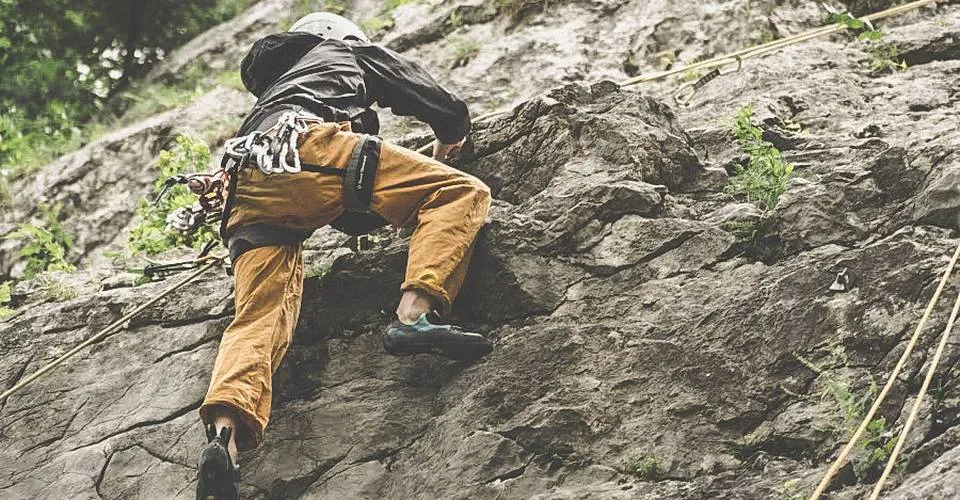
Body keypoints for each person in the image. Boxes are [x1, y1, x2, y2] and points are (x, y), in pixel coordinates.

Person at [194, 12, 493, 500]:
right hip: (308, 147)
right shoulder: (343, 53)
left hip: (245, 189)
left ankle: (223, 435)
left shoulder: (275, 94)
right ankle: (414, 315)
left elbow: (351, 213)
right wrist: (450, 134)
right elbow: (421, 91)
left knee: (258, 317)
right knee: (461, 192)